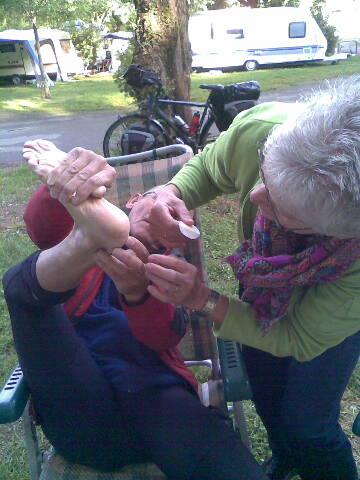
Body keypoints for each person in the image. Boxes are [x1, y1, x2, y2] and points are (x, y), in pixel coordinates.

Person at [132, 78, 360, 480]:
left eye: (276, 202)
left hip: (331, 316)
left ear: (333, 233)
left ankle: (312, 457)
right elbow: (209, 166)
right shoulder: (263, 128)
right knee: (268, 395)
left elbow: (297, 337)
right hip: (264, 287)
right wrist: (171, 192)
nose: (254, 195)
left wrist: (201, 298)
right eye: (266, 171)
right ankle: (286, 457)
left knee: (309, 424)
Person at [2, 141, 267, 480]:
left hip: (157, 404)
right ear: (134, 201)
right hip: (83, 412)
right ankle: (85, 225)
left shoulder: (170, 272)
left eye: (180, 221)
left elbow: (165, 336)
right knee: (28, 294)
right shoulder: (70, 239)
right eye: (160, 204)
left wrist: (137, 292)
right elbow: (40, 227)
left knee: (211, 447)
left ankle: (97, 236)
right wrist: (68, 182)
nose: (169, 219)